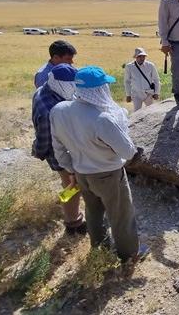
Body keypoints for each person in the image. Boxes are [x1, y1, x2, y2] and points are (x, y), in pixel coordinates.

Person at [50, 66, 149, 262]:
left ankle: (100, 250)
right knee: (121, 216)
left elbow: (58, 147)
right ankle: (129, 254)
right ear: (99, 90)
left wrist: (70, 170)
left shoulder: (59, 111)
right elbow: (128, 151)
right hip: (108, 175)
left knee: (93, 213)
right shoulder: (102, 119)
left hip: (80, 173)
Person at [31, 64, 86, 235]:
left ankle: (71, 215)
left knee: (69, 184)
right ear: (60, 83)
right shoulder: (49, 109)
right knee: (72, 185)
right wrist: (39, 151)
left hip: (62, 149)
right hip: (59, 153)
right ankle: (72, 221)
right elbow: (45, 136)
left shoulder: (43, 90)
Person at [124, 47, 161, 112]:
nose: (142, 58)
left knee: (151, 111)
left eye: (143, 56)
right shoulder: (129, 66)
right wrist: (128, 95)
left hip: (148, 93)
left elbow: (156, 80)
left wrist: (156, 93)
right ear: (136, 57)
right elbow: (127, 81)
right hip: (136, 94)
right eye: (140, 56)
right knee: (136, 113)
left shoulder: (150, 65)